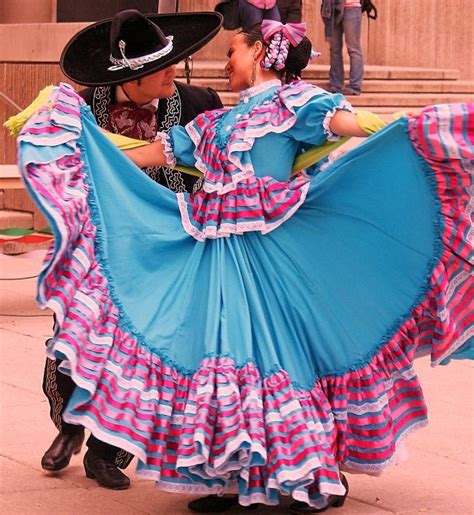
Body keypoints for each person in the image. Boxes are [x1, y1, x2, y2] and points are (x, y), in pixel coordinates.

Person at [16, 16, 472, 515]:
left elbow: (349, 123)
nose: (224, 62)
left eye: (232, 51)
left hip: (274, 253)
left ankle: (306, 473)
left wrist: (410, 123)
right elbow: (145, 155)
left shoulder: (293, 103)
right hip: (217, 253)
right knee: (225, 358)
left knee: (280, 358)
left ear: (258, 54)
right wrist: (74, 138)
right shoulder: (213, 123)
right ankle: (237, 479)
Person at [39, 9, 223, 490]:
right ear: (133, 75)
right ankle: (70, 427)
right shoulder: (80, 108)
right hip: (97, 246)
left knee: (138, 351)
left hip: (164, 250)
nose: (174, 70)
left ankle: (106, 451)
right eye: (162, 66)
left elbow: (218, 170)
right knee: (76, 337)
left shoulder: (202, 103)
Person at [321, 0, 364, 95]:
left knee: (353, 49)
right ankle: (336, 84)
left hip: (351, 8)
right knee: (334, 49)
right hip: (333, 9)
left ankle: (355, 86)